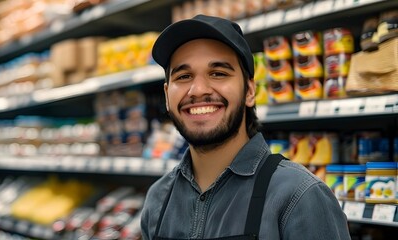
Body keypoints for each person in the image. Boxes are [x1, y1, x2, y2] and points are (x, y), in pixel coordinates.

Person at [140, 15, 350, 240]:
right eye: (183, 76)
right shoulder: (158, 200)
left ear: (250, 91)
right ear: (166, 96)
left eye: (218, 73)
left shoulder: (300, 196)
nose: (198, 89)